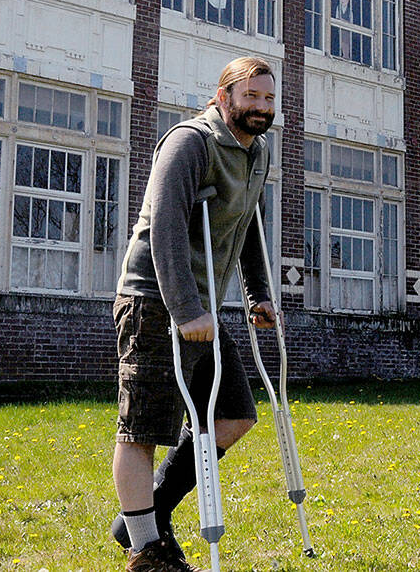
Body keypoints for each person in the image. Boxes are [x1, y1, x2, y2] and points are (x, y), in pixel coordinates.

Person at [110, 56, 279, 572]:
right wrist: (184, 310)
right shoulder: (189, 142)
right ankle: (145, 550)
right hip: (155, 301)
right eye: (250, 97)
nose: (261, 108)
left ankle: (143, 517)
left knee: (234, 415)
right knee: (140, 427)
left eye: (268, 99)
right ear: (223, 96)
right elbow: (164, 227)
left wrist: (258, 294)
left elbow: (248, 226)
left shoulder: (259, 152)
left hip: (201, 308)